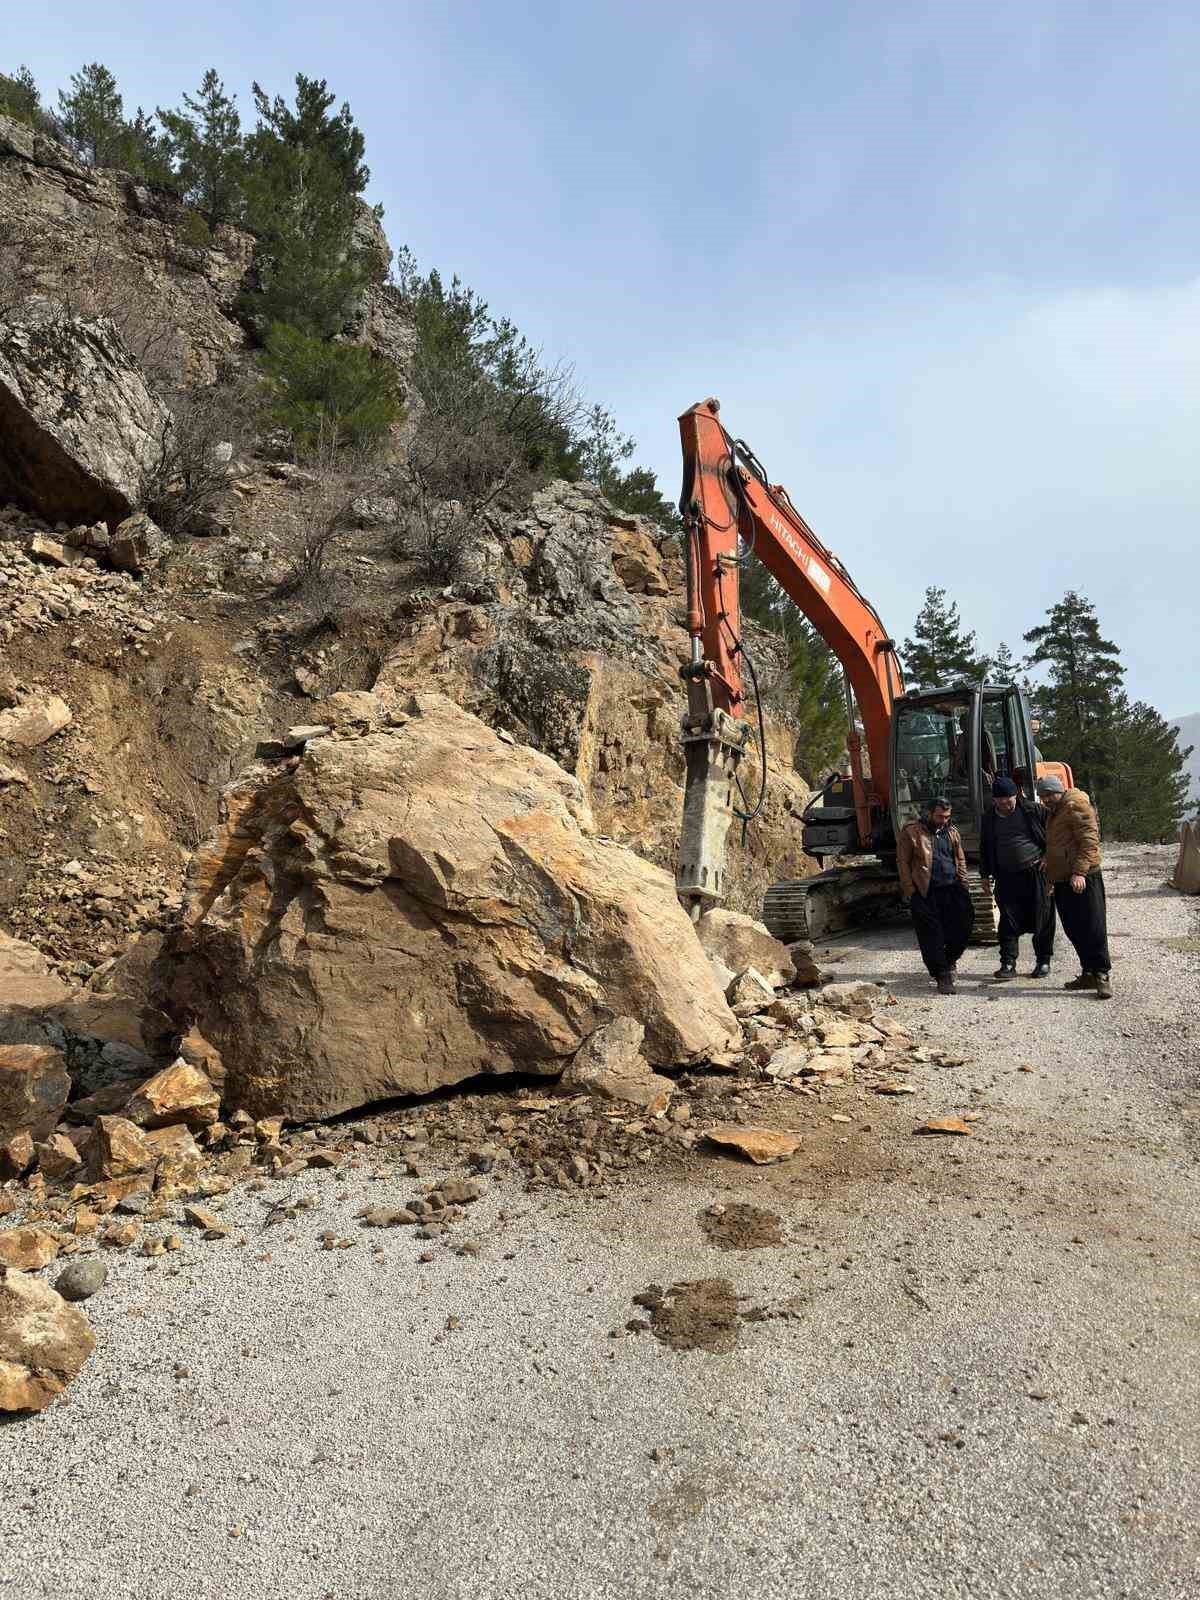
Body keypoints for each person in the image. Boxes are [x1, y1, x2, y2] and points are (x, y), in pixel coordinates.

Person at [1037, 774, 1112, 999]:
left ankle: (1101, 975)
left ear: (1059, 791)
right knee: (1073, 928)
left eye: (1049, 794)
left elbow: (1089, 840)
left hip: (1083, 877)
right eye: (1042, 796)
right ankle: (1088, 972)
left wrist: (1080, 871)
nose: (1046, 800)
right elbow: (1058, 846)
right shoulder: (1056, 811)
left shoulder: (1075, 804)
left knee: (1092, 926)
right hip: (1062, 879)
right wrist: (1050, 876)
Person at [979, 776, 1054, 981]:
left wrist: (1049, 856)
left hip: (1035, 872)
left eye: (1008, 799)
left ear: (1016, 795)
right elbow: (985, 847)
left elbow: (1055, 834)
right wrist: (984, 875)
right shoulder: (989, 818)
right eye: (1000, 800)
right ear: (994, 800)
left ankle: (1043, 961)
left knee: (1043, 916)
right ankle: (1008, 963)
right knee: (1008, 920)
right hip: (1006, 876)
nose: (1005, 804)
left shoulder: (1033, 810)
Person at [897, 796, 973, 994]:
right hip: (925, 892)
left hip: (953, 889)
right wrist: (910, 890)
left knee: (962, 930)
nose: (944, 820)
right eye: (940, 816)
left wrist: (963, 883)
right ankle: (942, 975)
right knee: (932, 936)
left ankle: (949, 961)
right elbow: (903, 862)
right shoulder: (912, 832)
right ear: (928, 813)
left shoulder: (952, 832)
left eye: (947, 816)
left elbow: (960, 858)